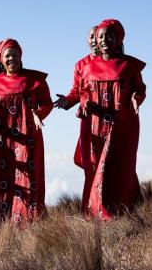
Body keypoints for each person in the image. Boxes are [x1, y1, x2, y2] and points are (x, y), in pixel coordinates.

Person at [78, 19, 146, 221]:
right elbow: (83, 91)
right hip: (96, 125)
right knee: (98, 166)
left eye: (109, 35)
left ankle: (122, 208)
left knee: (120, 165)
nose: (104, 39)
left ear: (118, 39)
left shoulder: (129, 65)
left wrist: (137, 98)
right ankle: (99, 210)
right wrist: (85, 103)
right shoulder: (88, 68)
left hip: (122, 123)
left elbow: (140, 88)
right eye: (101, 36)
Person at [0, 39, 53, 226]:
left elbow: (46, 102)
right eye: (7, 56)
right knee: (4, 179)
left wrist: (40, 113)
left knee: (29, 177)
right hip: (3, 141)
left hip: (28, 137)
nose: (12, 58)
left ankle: (31, 223)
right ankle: (4, 224)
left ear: (21, 56)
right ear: (1, 60)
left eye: (15, 54)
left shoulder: (35, 80)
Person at [52, 26, 99, 211]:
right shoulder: (81, 65)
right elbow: (76, 92)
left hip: (111, 121)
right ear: (87, 41)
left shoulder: (116, 62)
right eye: (91, 37)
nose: (95, 39)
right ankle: (91, 207)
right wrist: (67, 100)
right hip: (89, 121)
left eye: (99, 36)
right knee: (91, 164)